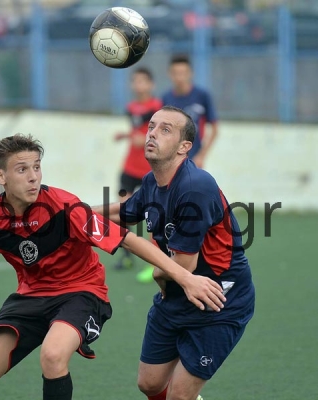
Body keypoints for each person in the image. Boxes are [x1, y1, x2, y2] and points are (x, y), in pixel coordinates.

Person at [0, 133, 226, 400]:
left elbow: (128, 239)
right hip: (30, 299)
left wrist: (183, 276)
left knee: (52, 354)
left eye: (36, 167)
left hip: (82, 294)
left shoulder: (64, 207)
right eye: (21, 169)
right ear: (0, 177)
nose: (33, 176)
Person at [99, 106, 255, 400]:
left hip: (218, 299)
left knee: (180, 395)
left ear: (185, 147)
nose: (153, 133)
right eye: (152, 127)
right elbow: (126, 212)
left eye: (165, 129)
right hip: (177, 293)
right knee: (149, 383)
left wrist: (159, 276)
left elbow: (180, 266)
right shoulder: (151, 181)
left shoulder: (195, 187)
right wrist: (71, 213)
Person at [113, 67, 162, 283]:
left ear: (151, 85)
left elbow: (157, 134)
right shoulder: (130, 107)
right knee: (123, 210)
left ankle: (157, 263)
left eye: (143, 81)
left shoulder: (158, 108)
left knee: (154, 214)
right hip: (129, 169)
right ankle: (126, 255)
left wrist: (145, 140)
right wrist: (126, 135)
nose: (139, 85)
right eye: (135, 81)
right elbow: (136, 130)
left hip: (149, 170)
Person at [162, 55, 218, 169]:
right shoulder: (165, 99)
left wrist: (201, 156)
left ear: (190, 73)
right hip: (171, 163)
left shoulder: (202, 96)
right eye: (175, 73)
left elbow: (214, 129)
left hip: (194, 161)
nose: (179, 77)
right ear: (170, 74)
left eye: (183, 73)